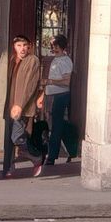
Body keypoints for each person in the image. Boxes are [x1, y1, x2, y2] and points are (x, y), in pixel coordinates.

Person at [3, 35, 44, 178]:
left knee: (17, 137)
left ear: (29, 46)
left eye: (25, 45)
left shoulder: (32, 60)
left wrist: (20, 104)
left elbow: (30, 85)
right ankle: (10, 167)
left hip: (22, 108)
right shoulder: (14, 60)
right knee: (10, 138)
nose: (22, 48)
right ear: (14, 47)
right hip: (11, 105)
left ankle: (36, 157)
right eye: (19, 45)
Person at [42, 35, 74, 167]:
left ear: (62, 46)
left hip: (60, 96)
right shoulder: (56, 59)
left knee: (55, 127)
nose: (54, 48)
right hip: (52, 95)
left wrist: (50, 81)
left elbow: (67, 82)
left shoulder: (65, 61)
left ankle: (53, 155)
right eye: (52, 46)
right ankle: (65, 150)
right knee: (53, 126)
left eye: (56, 45)